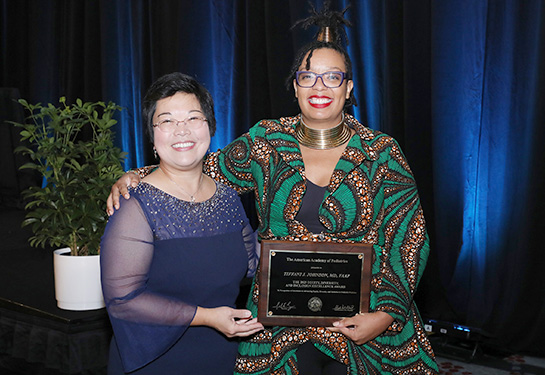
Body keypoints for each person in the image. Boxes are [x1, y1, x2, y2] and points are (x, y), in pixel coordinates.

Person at [107, 4, 439, 374]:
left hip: (366, 319)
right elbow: (205, 168)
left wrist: (385, 314)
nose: (319, 87)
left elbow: (409, 240)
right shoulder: (267, 141)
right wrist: (138, 174)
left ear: (348, 88)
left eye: (332, 77)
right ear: (294, 86)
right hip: (280, 322)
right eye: (307, 77)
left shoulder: (382, 153)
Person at [100, 72, 264, 375]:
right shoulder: (134, 206)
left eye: (193, 118)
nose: (181, 131)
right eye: (167, 121)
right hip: (155, 360)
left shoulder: (228, 198)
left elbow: (251, 265)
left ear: (211, 127)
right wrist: (207, 317)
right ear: (152, 135)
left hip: (221, 357)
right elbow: (124, 301)